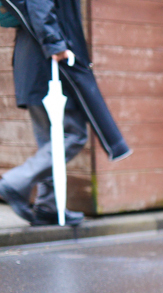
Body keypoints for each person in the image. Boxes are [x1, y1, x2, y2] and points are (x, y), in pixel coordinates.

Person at [0, 0, 130, 226]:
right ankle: (14, 183)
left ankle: (47, 206)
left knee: (50, 141)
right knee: (73, 134)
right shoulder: (52, 48)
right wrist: (55, 45)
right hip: (47, 66)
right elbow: (39, 5)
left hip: (33, 64)